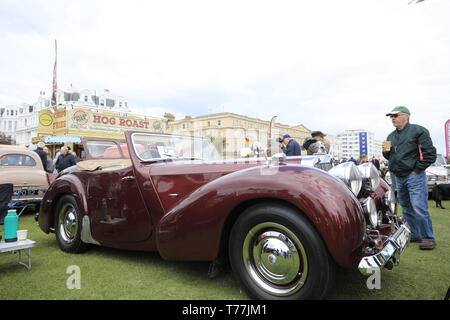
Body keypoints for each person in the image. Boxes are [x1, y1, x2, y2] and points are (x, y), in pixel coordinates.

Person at [383, 106, 437, 250]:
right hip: (398, 176)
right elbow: (388, 156)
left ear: (406, 116)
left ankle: (428, 238)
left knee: (419, 207)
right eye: (391, 116)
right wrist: (385, 152)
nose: (393, 118)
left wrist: (416, 169)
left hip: (414, 176)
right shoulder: (390, 136)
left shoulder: (419, 131)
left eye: (395, 115)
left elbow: (430, 154)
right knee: (406, 208)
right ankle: (416, 234)